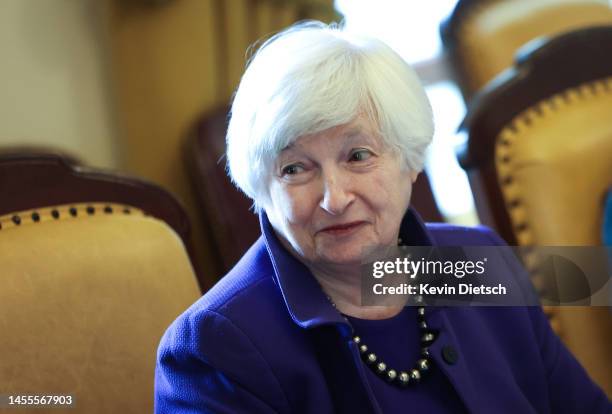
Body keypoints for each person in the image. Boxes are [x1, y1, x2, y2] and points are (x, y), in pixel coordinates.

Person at [154, 21, 610, 413]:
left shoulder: (477, 263)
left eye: (357, 155)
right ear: (260, 185)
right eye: (295, 169)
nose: (334, 198)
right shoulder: (214, 349)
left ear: (410, 160)